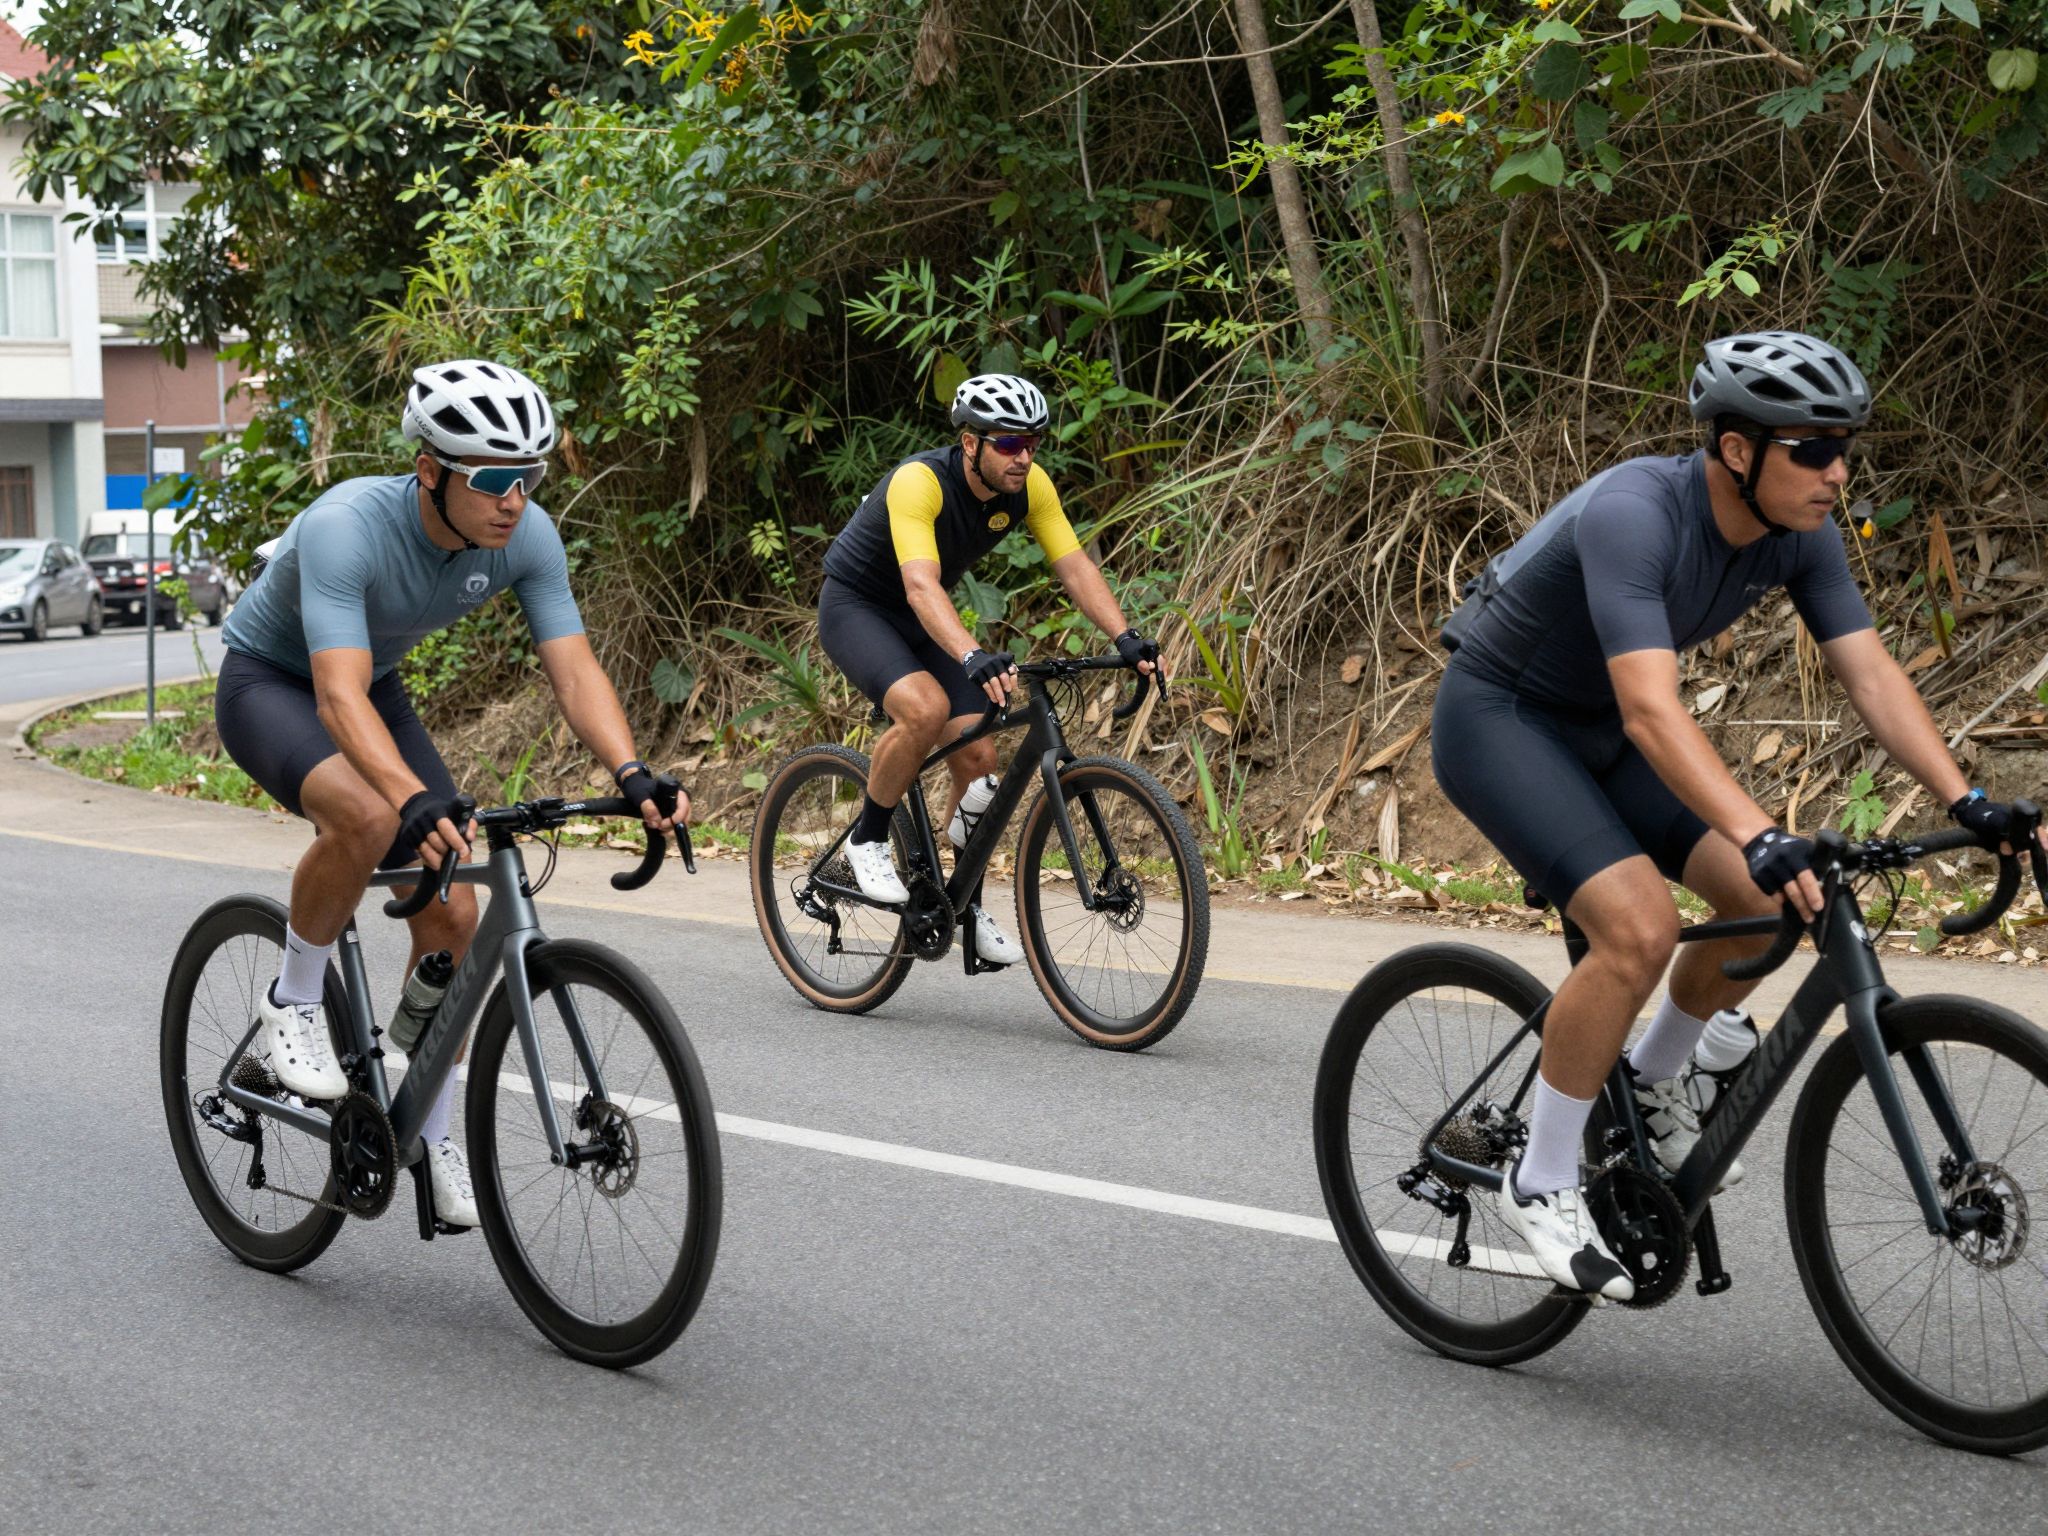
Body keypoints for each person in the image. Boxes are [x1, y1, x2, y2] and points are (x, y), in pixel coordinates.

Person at [1432, 331, 2047, 1302]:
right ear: (1733, 450)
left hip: (1601, 730)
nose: (1835, 471)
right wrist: (1758, 830)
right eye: (1810, 448)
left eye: (1842, 446)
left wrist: (1964, 799)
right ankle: (1539, 1176)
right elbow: (1650, 708)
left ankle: (1644, 1080)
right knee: (1636, 928)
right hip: (1501, 717)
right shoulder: (1636, 514)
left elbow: (1870, 674)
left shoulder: (1799, 535)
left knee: (1775, 902)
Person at [215, 359, 685, 1227]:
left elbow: (573, 669)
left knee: (454, 915)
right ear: (430, 469)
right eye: (496, 478)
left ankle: (428, 1126)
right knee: (366, 815)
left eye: (531, 476)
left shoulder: (526, 536)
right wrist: (409, 797)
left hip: (370, 684)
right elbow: (334, 699)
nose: (516, 498)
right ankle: (291, 999)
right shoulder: (346, 526)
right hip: (273, 684)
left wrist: (631, 772)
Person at [816, 372, 1162, 963]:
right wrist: (971, 653)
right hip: (860, 607)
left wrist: (1124, 635)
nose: (1023, 457)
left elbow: (1074, 564)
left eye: (1032, 443)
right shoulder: (920, 482)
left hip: (925, 617)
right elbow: (920, 584)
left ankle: (961, 902)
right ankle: (868, 839)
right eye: (1008, 443)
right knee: (925, 710)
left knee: (978, 758)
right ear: (970, 443)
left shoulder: (1030, 488)